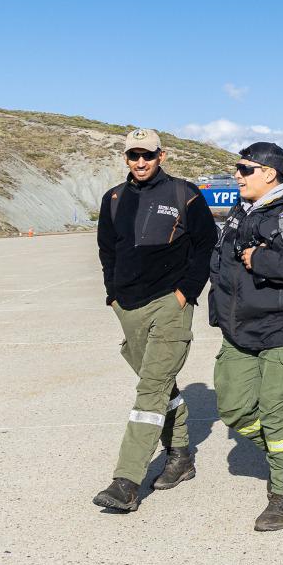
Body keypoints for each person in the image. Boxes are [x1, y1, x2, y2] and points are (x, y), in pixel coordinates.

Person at [92, 128, 218, 514]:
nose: (141, 162)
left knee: (150, 389)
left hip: (170, 302)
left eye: (147, 155)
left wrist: (186, 292)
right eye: (134, 155)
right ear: (126, 158)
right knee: (159, 383)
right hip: (128, 306)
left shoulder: (184, 194)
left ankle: (126, 482)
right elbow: (107, 250)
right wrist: (113, 295)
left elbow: (206, 245)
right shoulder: (114, 198)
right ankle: (180, 454)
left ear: (161, 156)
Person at [209, 142, 283, 531]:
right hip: (239, 329)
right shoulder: (241, 210)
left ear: (269, 173)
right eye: (238, 169)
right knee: (233, 408)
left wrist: (260, 259)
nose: (238, 175)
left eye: (245, 169)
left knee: (277, 412)